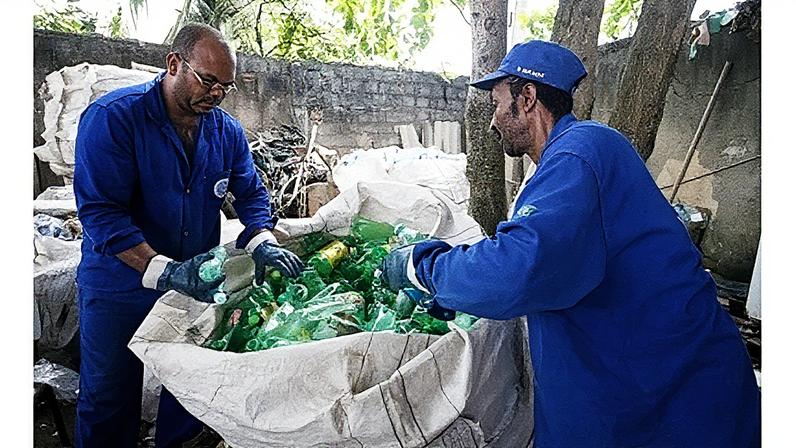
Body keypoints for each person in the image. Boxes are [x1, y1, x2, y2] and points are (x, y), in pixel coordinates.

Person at [380, 40, 760, 447]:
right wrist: (455, 293)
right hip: (640, 376)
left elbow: (519, 270)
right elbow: (552, 260)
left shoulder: (578, 155)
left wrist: (421, 267)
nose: (492, 122)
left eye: (497, 104)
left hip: (669, 394)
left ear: (527, 98)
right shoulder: (580, 150)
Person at [72, 23, 303, 447]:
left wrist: (262, 240)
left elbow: (251, 193)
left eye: (226, 87)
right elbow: (102, 214)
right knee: (109, 398)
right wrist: (164, 271)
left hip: (195, 284)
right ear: (174, 64)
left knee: (190, 393)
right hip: (119, 285)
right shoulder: (114, 119)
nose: (216, 94)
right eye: (208, 80)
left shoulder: (226, 132)